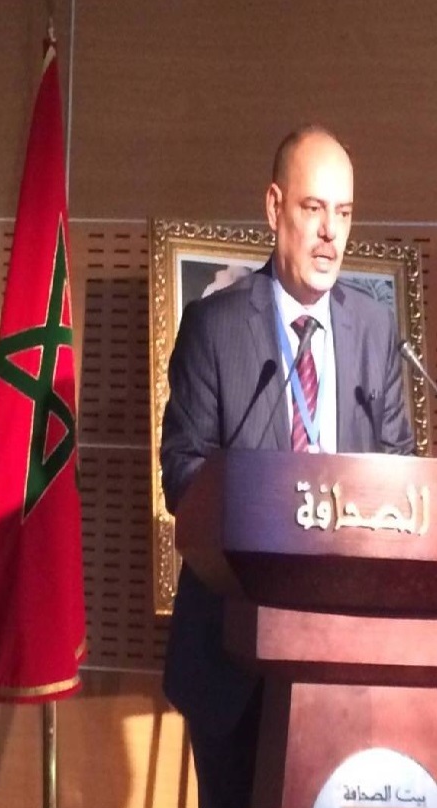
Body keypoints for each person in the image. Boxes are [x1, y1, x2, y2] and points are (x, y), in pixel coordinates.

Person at [160, 124, 415, 808]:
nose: (331, 233)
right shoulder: (214, 328)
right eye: (313, 208)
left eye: (344, 213)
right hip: (232, 653)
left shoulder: (374, 333)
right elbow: (182, 473)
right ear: (274, 207)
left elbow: (401, 477)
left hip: (349, 656)